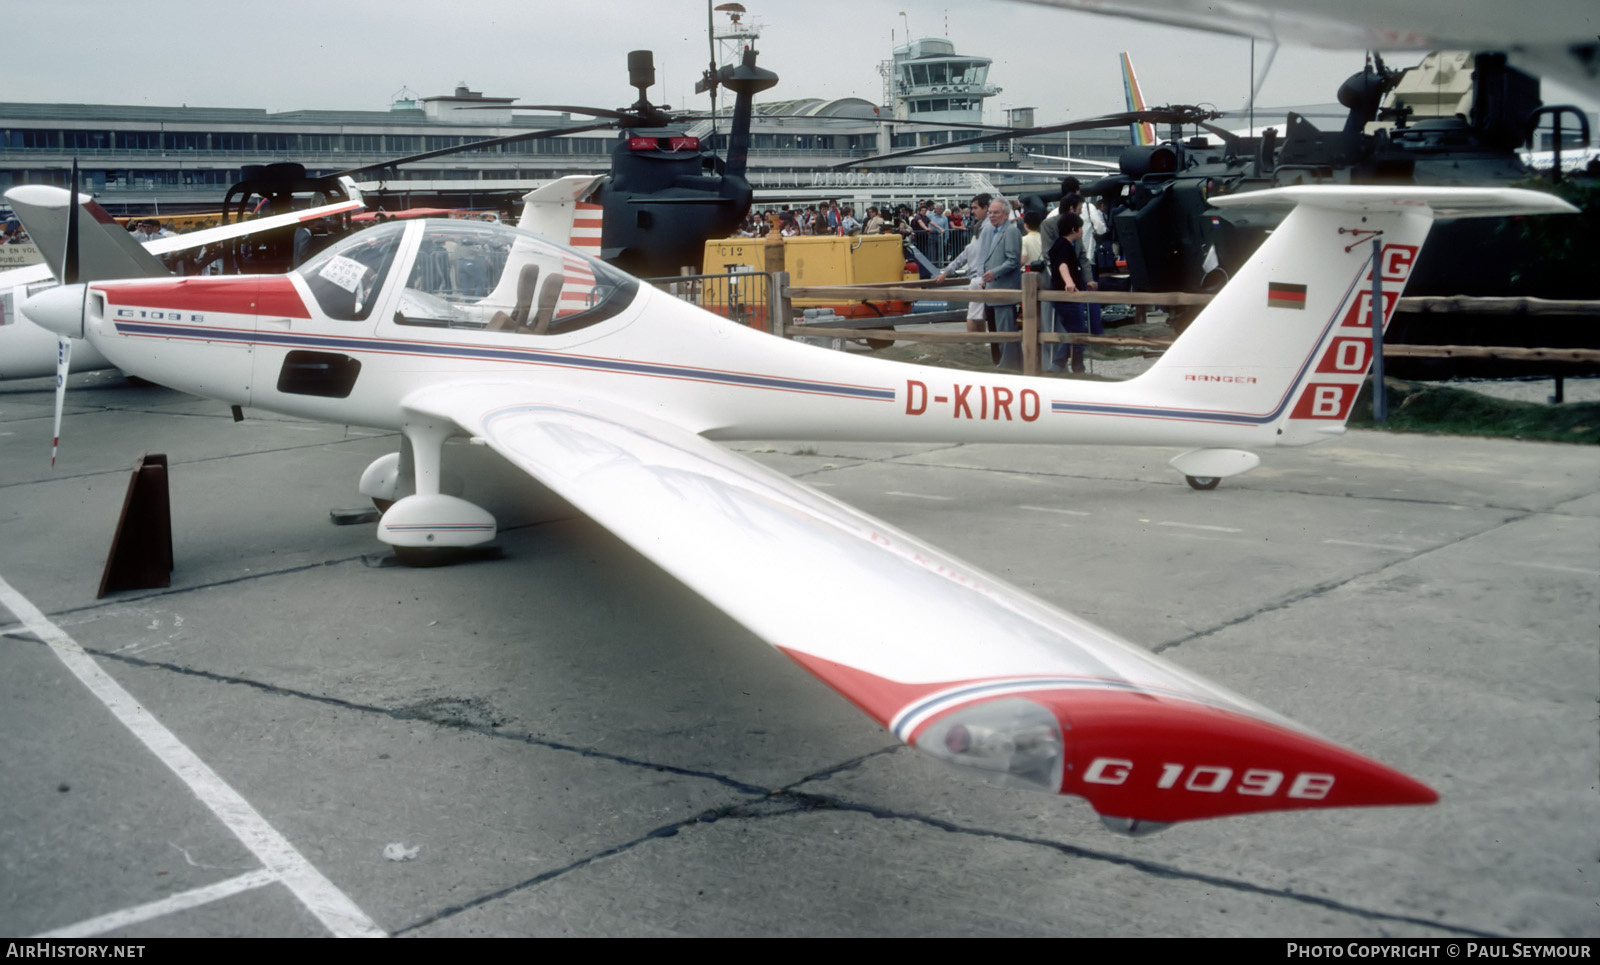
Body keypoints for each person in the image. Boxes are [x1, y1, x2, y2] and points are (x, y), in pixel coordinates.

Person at [979, 198, 1023, 371]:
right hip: (994, 290)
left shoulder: (1011, 231)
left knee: (1006, 334)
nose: (991, 215)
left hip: (1004, 291)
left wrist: (994, 273)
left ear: (1006, 214)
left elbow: (1013, 261)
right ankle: (1011, 366)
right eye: (990, 212)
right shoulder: (995, 232)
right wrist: (986, 279)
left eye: (996, 212)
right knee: (1001, 334)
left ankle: (1010, 368)